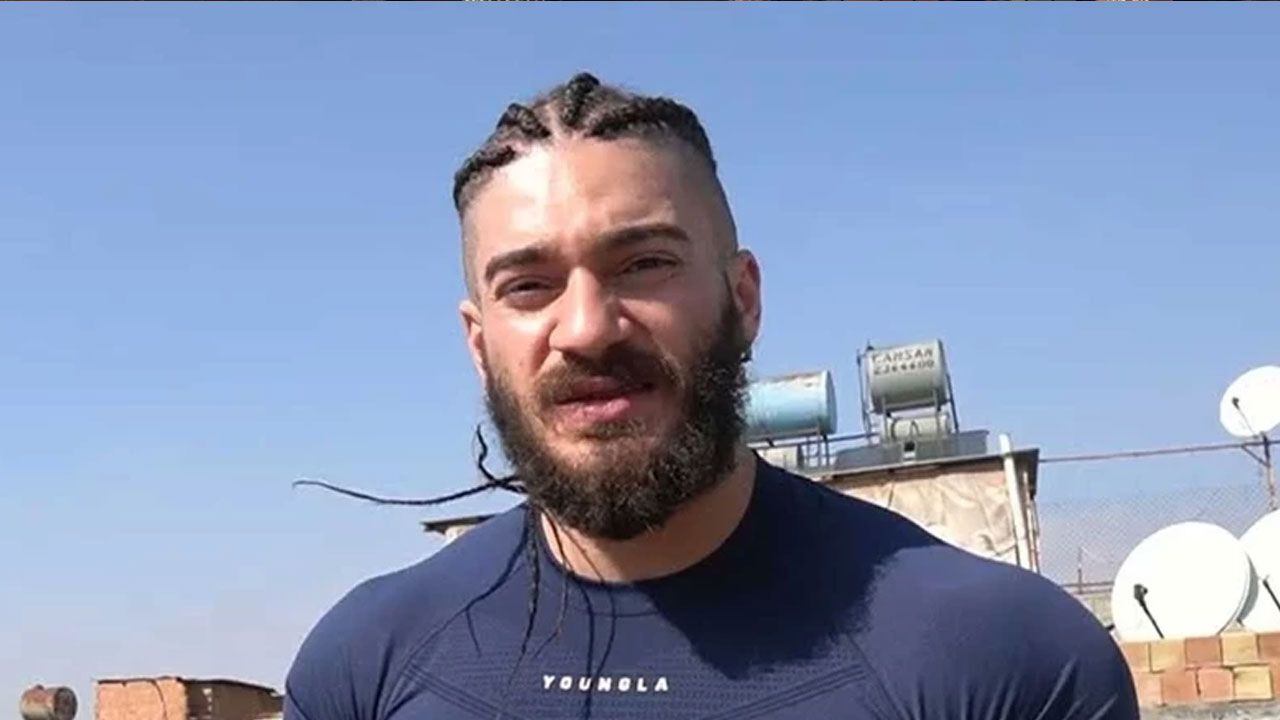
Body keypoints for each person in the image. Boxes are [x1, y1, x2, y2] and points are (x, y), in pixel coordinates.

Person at [284, 72, 1138, 720]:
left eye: (644, 263)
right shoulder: (366, 666)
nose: (586, 327)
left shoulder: (1001, 661)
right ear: (479, 343)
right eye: (529, 285)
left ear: (744, 298)